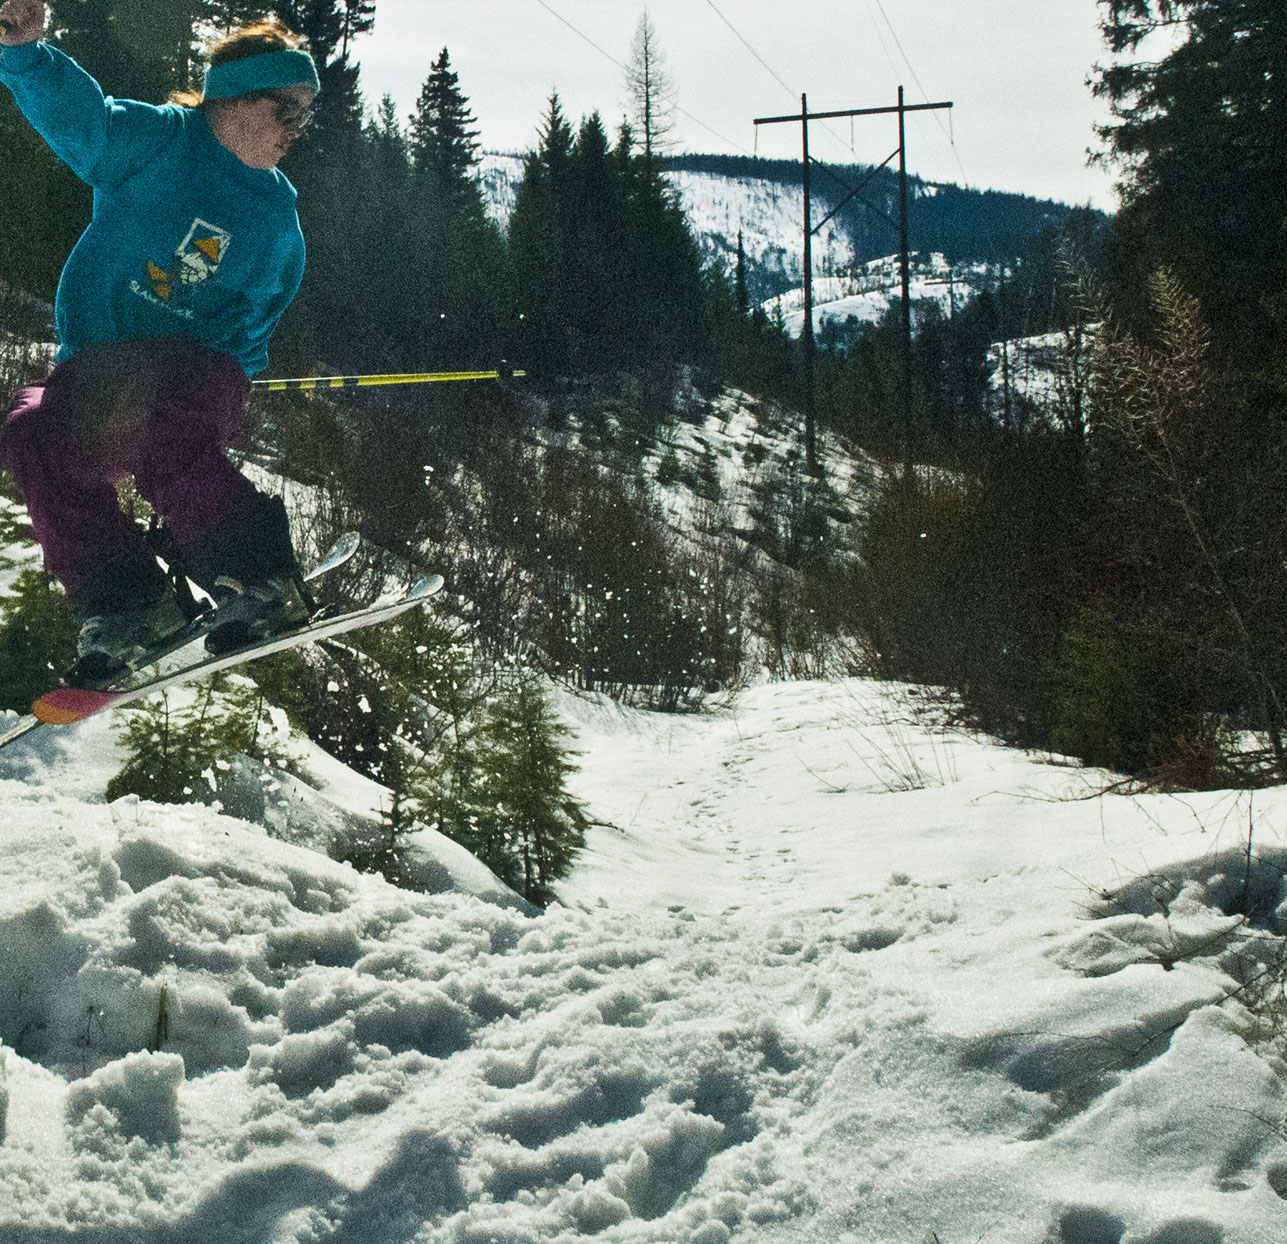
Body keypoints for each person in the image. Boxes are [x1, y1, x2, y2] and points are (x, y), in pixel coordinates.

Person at [0, 2, 319, 682]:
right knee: (32, 429)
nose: (298, 129)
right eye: (286, 109)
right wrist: (26, 52)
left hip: (199, 372)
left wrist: (222, 391)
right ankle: (126, 599)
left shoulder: (276, 223)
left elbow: (256, 325)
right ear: (233, 99)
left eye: (306, 115)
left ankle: (257, 571)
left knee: (157, 417)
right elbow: (81, 118)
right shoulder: (158, 142)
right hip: (100, 369)